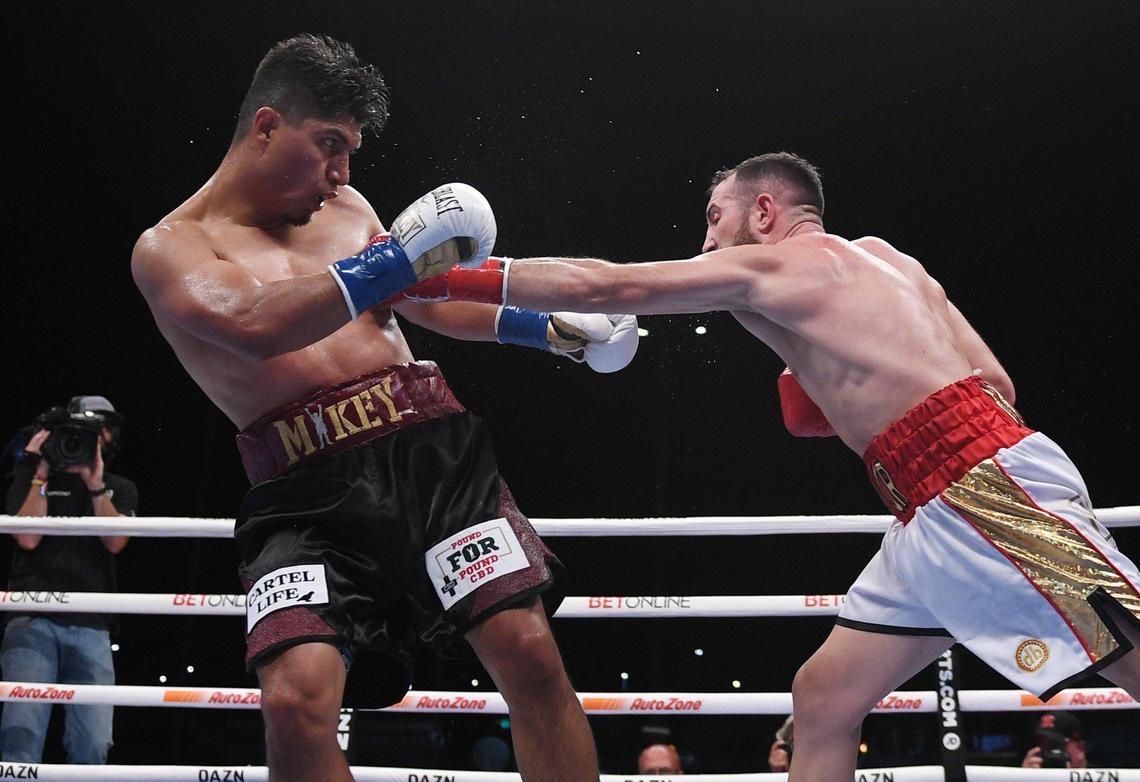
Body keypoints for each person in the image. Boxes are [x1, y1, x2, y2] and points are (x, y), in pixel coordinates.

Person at [427, 151, 1140, 781]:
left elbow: (605, 288)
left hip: (979, 489)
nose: (706, 239)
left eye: (716, 216)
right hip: (933, 500)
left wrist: (441, 276)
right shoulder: (892, 261)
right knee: (824, 697)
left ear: (764, 211)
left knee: (1129, 647)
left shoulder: (772, 265)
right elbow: (998, 385)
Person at [131, 34, 633, 782]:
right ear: (266, 127)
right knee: (296, 704)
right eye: (328, 143)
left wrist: (546, 329)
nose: (340, 173)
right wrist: (391, 257)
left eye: (350, 151)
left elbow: (424, 295)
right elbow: (253, 324)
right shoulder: (170, 249)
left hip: (429, 455)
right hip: (302, 491)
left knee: (528, 656)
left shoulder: (347, 206)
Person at [1, 395, 136, 763]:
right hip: (31, 617)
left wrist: (94, 484)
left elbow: (115, 542)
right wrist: (40, 470)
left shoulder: (118, 488)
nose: (94, 438)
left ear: (109, 438)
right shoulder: (31, 477)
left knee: (94, 742)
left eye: (101, 430)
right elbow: (28, 537)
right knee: (20, 735)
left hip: (92, 623)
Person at [1021, 711, 1086, 769]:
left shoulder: (1095, 776)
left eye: (1055, 746)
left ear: (1080, 748)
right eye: (1042, 746)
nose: (1051, 755)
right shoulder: (1030, 776)